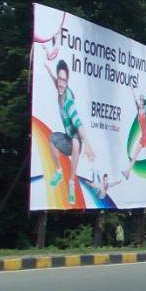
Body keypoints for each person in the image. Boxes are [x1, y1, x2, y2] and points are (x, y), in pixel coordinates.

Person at [42, 58, 95, 205]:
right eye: (60, 79)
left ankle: (71, 182)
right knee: (51, 138)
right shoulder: (59, 85)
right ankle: (59, 171)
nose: (61, 83)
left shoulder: (68, 101)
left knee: (76, 141)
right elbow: (55, 81)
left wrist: (88, 144)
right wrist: (48, 70)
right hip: (67, 137)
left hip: (76, 141)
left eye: (64, 81)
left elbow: (78, 123)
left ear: (68, 81)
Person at [123, 88, 146, 179]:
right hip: (144, 136)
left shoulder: (145, 111)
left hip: (145, 137)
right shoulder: (139, 110)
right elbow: (135, 100)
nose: (140, 102)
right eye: (140, 101)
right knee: (138, 156)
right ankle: (127, 172)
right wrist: (132, 91)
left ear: (143, 103)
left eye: (141, 101)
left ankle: (127, 172)